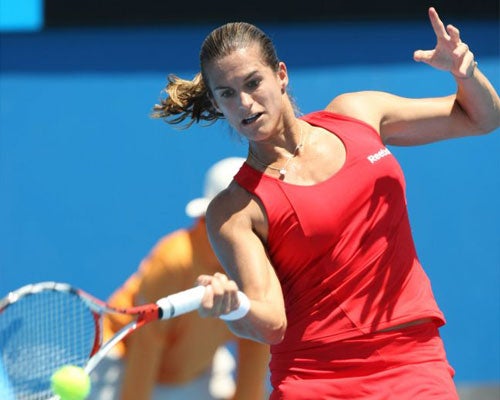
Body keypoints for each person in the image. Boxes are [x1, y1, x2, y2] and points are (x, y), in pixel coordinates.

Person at [150, 7, 500, 400]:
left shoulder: (358, 114)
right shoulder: (234, 209)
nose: (245, 103)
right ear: (216, 104)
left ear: (281, 75)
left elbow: (481, 117)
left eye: (253, 83)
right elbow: (271, 322)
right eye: (227, 94)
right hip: (316, 380)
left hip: (414, 361)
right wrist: (233, 306)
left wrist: (465, 75)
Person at [89, 157, 270, 400]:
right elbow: (145, 347)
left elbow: (255, 341)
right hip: (124, 364)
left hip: (194, 370)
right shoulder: (175, 260)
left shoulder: (261, 264)